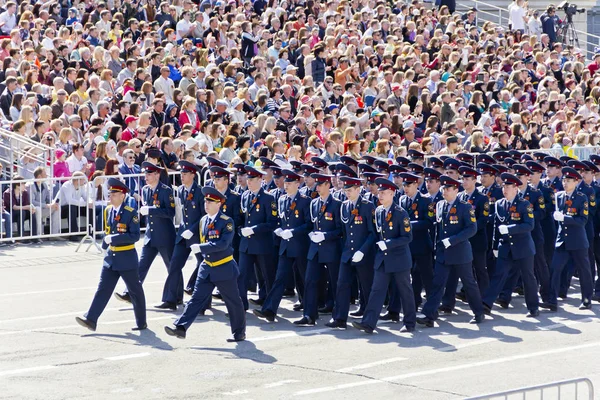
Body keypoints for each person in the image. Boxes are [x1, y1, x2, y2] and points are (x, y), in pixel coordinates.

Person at [165, 186, 246, 342]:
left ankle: (239, 332)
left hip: (223, 267)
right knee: (196, 298)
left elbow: (223, 244)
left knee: (233, 301)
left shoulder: (226, 222)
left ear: (219, 204)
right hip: (207, 266)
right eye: (205, 201)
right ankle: (181, 327)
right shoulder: (203, 220)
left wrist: (201, 247)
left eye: (210, 202)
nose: (206, 204)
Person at [75, 178, 146, 332]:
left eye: (114, 194)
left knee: (135, 290)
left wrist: (113, 239)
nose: (111, 196)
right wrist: (106, 245)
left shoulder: (130, 213)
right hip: (111, 259)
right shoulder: (108, 210)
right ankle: (91, 319)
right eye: (110, 193)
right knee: (103, 289)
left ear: (122, 195)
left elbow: (134, 236)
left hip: (126, 258)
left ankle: (141, 322)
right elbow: (109, 230)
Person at [417, 175, 485, 327]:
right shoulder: (440, 205)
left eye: (447, 189)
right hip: (443, 252)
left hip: (460, 252)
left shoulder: (465, 206)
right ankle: (429, 315)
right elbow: (438, 228)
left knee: (469, 283)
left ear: (455, 190)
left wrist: (453, 240)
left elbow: (471, 229)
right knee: (437, 284)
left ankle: (478, 312)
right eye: (443, 188)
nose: (444, 191)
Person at [352, 177, 416, 334]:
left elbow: (407, 237)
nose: (380, 196)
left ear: (392, 194)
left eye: (384, 193)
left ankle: (409, 322)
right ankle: (369, 322)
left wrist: (388, 244)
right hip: (383, 259)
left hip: (399, 258)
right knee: (376, 290)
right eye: (379, 192)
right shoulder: (379, 211)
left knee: (404, 291)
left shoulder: (401, 213)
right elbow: (376, 233)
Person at [254, 169, 311, 322]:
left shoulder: (305, 201)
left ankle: (310, 311)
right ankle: (270, 310)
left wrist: (293, 232)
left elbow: (308, 225)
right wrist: (278, 230)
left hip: (299, 245)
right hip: (285, 246)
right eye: (285, 182)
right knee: (279, 279)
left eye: (289, 183)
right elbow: (280, 220)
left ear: (297, 184)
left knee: (305, 279)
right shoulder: (282, 199)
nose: (286, 185)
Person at [114, 162, 176, 303]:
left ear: (157, 175)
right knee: (140, 266)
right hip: (150, 236)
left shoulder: (166, 191)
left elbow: (170, 212)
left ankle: (175, 297)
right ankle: (130, 292)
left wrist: (151, 210)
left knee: (172, 268)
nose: (146, 177)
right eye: (145, 174)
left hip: (164, 235)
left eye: (149, 174)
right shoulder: (146, 190)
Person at [481, 172, 540, 317]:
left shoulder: (524, 204)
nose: (505, 190)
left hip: (523, 247)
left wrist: (510, 229)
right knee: (499, 275)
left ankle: (533, 307)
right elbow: (496, 225)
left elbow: (529, 225)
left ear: (516, 188)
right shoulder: (500, 204)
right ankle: (486, 304)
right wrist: (495, 246)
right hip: (506, 246)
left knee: (528, 277)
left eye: (508, 187)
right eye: (503, 187)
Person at [324, 176, 375, 329]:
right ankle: (339, 317)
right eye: (345, 190)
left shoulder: (368, 206)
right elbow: (344, 231)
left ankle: (368, 317)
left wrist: (362, 251)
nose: (347, 193)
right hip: (347, 252)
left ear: (358, 190)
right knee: (342, 285)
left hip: (363, 253)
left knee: (366, 286)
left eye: (350, 190)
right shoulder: (344, 206)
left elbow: (372, 233)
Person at [541, 166, 593, 311]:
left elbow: (582, 220)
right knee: (555, 269)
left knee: (584, 270)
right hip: (562, 240)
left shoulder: (581, 198)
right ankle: (552, 300)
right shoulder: (559, 196)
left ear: (576, 182)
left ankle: (587, 299)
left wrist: (565, 218)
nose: (565, 183)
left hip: (577, 240)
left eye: (569, 180)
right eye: (564, 180)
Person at [294, 173, 342, 326]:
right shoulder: (314, 203)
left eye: (321, 184)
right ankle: (309, 315)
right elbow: (312, 224)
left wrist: (325, 236)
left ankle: (338, 315)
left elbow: (340, 230)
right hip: (315, 249)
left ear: (328, 185)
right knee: (310, 281)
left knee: (335, 283)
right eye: (317, 184)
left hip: (331, 248)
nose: (318, 187)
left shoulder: (337, 204)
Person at [157, 161, 204, 310]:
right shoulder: (182, 190)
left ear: (192, 175)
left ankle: (204, 301)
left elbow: (204, 216)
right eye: (181, 174)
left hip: (197, 236)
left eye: (184, 174)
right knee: (174, 265)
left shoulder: (200, 192)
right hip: (183, 234)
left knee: (205, 267)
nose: (181, 176)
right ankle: (171, 300)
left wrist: (194, 229)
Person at [237, 166, 278, 310]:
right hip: (246, 244)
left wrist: (254, 229)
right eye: (248, 179)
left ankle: (270, 306)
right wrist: (239, 230)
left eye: (252, 179)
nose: (249, 182)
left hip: (262, 243)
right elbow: (241, 218)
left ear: (260, 180)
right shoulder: (245, 196)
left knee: (267, 276)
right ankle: (241, 306)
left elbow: (272, 222)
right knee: (241, 275)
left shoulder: (268, 198)